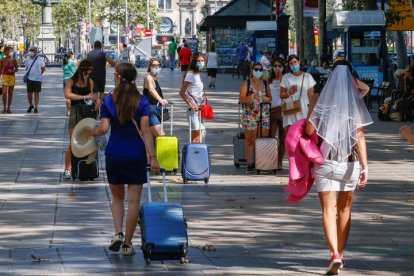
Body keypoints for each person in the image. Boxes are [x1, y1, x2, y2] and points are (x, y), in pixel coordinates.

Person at [304, 60, 372, 275]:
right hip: (350, 163)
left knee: (328, 209)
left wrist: (312, 110)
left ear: (330, 77)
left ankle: (333, 254)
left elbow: (307, 130)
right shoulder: (354, 102)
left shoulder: (319, 98)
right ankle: (341, 255)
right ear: (350, 79)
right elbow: (359, 134)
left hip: (326, 161)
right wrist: (365, 167)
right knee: (345, 210)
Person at [90, 63, 160, 256]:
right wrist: (152, 157)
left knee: (117, 197)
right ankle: (128, 244)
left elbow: (103, 129)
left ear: (117, 76)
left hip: (114, 153)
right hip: (135, 154)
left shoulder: (108, 100)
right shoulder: (142, 100)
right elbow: (146, 130)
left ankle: (118, 233)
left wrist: (91, 131)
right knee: (134, 200)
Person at [62, 59, 96, 179]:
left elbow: (91, 95)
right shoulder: (71, 81)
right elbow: (67, 94)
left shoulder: (90, 81)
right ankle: (67, 168)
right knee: (73, 142)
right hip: (76, 112)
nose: (89, 73)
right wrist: (83, 96)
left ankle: (87, 168)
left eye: (90, 71)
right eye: (87, 71)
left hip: (87, 113)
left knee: (88, 140)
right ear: (82, 70)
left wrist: (95, 100)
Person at [238, 62, 272, 173]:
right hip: (250, 115)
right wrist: (252, 96)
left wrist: (266, 99)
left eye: (260, 69)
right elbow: (241, 99)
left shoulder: (265, 83)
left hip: (264, 114)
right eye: (256, 69)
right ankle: (249, 163)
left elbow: (270, 97)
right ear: (251, 69)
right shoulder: (246, 83)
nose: (258, 71)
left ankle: (261, 162)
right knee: (250, 139)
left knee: (263, 137)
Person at [280, 54, 316, 132]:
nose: (293, 64)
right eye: (291, 63)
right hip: (290, 109)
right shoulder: (286, 77)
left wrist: (312, 112)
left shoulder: (307, 76)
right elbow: (281, 95)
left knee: (303, 134)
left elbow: (311, 96)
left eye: (295, 62)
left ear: (299, 62)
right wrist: (289, 93)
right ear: (289, 65)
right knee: (291, 135)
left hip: (304, 109)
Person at [179, 53, 206, 143]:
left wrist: (204, 97)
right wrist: (191, 105)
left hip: (200, 109)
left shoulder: (196, 74)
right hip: (193, 110)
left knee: (201, 134)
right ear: (194, 62)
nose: (201, 62)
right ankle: (195, 155)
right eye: (198, 61)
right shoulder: (191, 74)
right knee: (196, 137)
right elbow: (182, 92)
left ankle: (197, 155)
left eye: (202, 61)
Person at [143, 57, 168, 138]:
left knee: (153, 138)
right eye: (153, 65)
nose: (156, 67)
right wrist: (161, 100)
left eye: (158, 65)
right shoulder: (148, 78)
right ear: (150, 67)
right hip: (150, 110)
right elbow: (151, 89)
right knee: (161, 136)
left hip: (156, 109)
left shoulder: (154, 79)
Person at [87, 41, 116, 110]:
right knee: (101, 91)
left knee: (94, 91)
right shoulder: (103, 54)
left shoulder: (89, 54)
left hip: (92, 75)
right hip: (101, 76)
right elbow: (112, 62)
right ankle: (101, 107)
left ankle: (95, 107)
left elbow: (84, 62)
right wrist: (113, 64)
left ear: (94, 46)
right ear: (101, 46)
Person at [268, 57, 285, 169]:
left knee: (283, 139)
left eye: (279, 66)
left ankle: (279, 162)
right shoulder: (269, 81)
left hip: (284, 111)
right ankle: (271, 161)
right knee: (271, 137)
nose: (277, 68)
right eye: (275, 66)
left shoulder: (287, 80)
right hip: (272, 110)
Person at [25, 46, 45, 113]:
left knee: (36, 93)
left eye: (32, 50)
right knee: (29, 94)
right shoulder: (27, 59)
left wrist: (39, 75)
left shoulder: (40, 59)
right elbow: (26, 68)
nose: (31, 51)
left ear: (36, 51)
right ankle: (31, 105)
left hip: (37, 79)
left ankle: (36, 107)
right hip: (29, 79)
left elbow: (43, 68)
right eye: (30, 50)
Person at [0, 46, 18, 113]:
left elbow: (16, 69)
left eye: (10, 51)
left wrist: (13, 71)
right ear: (4, 52)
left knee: (10, 93)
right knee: (4, 92)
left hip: (11, 77)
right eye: (7, 51)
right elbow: (0, 70)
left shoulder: (14, 60)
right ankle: (4, 107)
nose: (9, 52)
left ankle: (9, 108)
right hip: (4, 77)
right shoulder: (2, 60)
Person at [62, 51, 78, 116]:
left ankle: (68, 111)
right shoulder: (74, 61)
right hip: (73, 80)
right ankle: (74, 110)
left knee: (67, 97)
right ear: (71, 55)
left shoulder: (64, 62)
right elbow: (78, 70)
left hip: (65, 80)